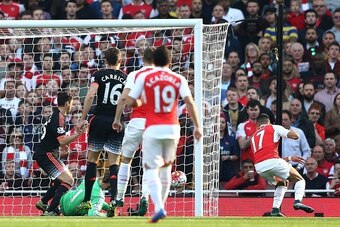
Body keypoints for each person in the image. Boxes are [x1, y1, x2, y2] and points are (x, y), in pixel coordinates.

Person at [125, 45, 202, 223]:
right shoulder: (178, 78)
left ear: (153, 60)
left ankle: (158, 208)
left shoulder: (145, 77)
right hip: (172, 128)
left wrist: (142, 101)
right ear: (169, 61)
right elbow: (189, 102)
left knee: (151, 169)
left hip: (152, 127)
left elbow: (130, 101)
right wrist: (197, 127)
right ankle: (163, 206)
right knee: (166, 168)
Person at [77, 47, 127, 214]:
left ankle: (86, 201)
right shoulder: (125, 78)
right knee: (114, 163)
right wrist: (118, 119)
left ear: (105, 61)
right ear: (120, 61)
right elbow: (125, 99)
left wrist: (83, 117)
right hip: (116, 121)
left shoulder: (98, 75)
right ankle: (114, 199)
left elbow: (91, 95)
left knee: (92, 160)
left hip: (99, 120)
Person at [112, 47, 155, 216]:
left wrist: (117, 119)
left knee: (126, 160)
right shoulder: (163, 76)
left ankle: (119, 198)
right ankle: (144, 197)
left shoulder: (134, 75)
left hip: (137, 122)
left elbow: (124, 98)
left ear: (143, 58)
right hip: (155, 124)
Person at [34, 92, 87, 216]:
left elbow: (58, 139)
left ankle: (44, 202)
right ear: (67, 103)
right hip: (46, 154)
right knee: (69, 180)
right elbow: (62, 139)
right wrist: (78, 134)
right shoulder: (59, 117)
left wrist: (64, 146)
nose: (72, 106)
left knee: (61, 180)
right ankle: (51, 210)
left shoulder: (58, 116)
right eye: (72, 103)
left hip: (47, 153)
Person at [250, 113, 314, 217]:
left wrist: (289, 158)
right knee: (299, 179)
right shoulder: (274, 127)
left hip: (260, 168)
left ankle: (275, 210)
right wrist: (289, 129)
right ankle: (297, 201)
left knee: (282, 183)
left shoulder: (253, 137)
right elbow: (295, 136)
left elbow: (265, 157)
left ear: (258, 125)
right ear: (269, 122)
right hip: (273, 162)